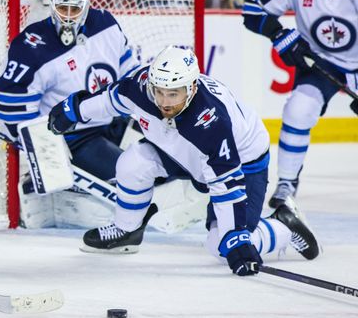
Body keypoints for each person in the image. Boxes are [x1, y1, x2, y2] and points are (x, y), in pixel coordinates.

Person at [47, 46, 320, 276]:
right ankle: (127, 230)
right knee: (134, 161)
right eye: (160, 91)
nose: (164, 102)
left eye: (173, 94)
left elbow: (228, 184)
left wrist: (236, 237)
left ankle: (284, 224)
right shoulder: (142, 87)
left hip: (242, 162)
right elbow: (110, 99)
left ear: (191, 88)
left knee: (219, 245)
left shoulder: (210, 120)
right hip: (183, 149)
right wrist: (74, 110)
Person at [242, 0, 358, 208]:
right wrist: (278, 33)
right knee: (297, 110)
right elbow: (252, 7)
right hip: (321, 63)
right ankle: (286, 183)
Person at [0, 0, 140, 187]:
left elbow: (130, 71)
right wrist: (42, 148)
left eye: (75, 9)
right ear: (53, 7)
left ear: (86, 7)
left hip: (112, 124)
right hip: (73, 139)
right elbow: (9, 104)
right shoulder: (31, 45)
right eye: (63, 8)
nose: (69, 17)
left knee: (161, 157)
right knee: (132, 175)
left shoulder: (105, 24)